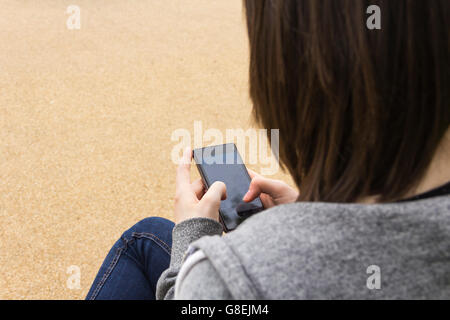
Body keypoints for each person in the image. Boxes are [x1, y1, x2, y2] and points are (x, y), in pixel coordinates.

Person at [86, 0, 450, 299]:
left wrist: (193, 236)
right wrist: (313, 211)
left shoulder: (227, 282)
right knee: (149, 234)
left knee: (142, 242)